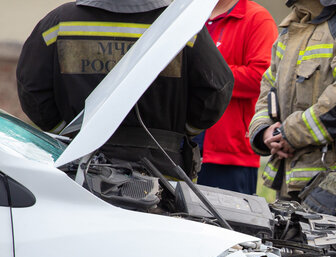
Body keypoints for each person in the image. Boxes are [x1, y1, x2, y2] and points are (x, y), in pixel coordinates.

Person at [16, 0, 233, 178]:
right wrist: (178, 131)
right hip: (161, 173)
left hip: (80, 167)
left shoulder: (59, 23)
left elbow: (31, 88)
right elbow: (216, 89)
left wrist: (67, 133)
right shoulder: (181, 25)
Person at [247, 0, 336, 200]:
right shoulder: (292, 27)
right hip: (290, 182)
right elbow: (269, 86)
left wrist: (290, 133)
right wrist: (264, 130)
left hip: (335, 186)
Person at [196, 0, 277, 194]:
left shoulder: (257, 19)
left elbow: (261, 77)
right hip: (177, 147)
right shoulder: (189, 16)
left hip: (230, 152)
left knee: (223, 223)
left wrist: (205, 74)